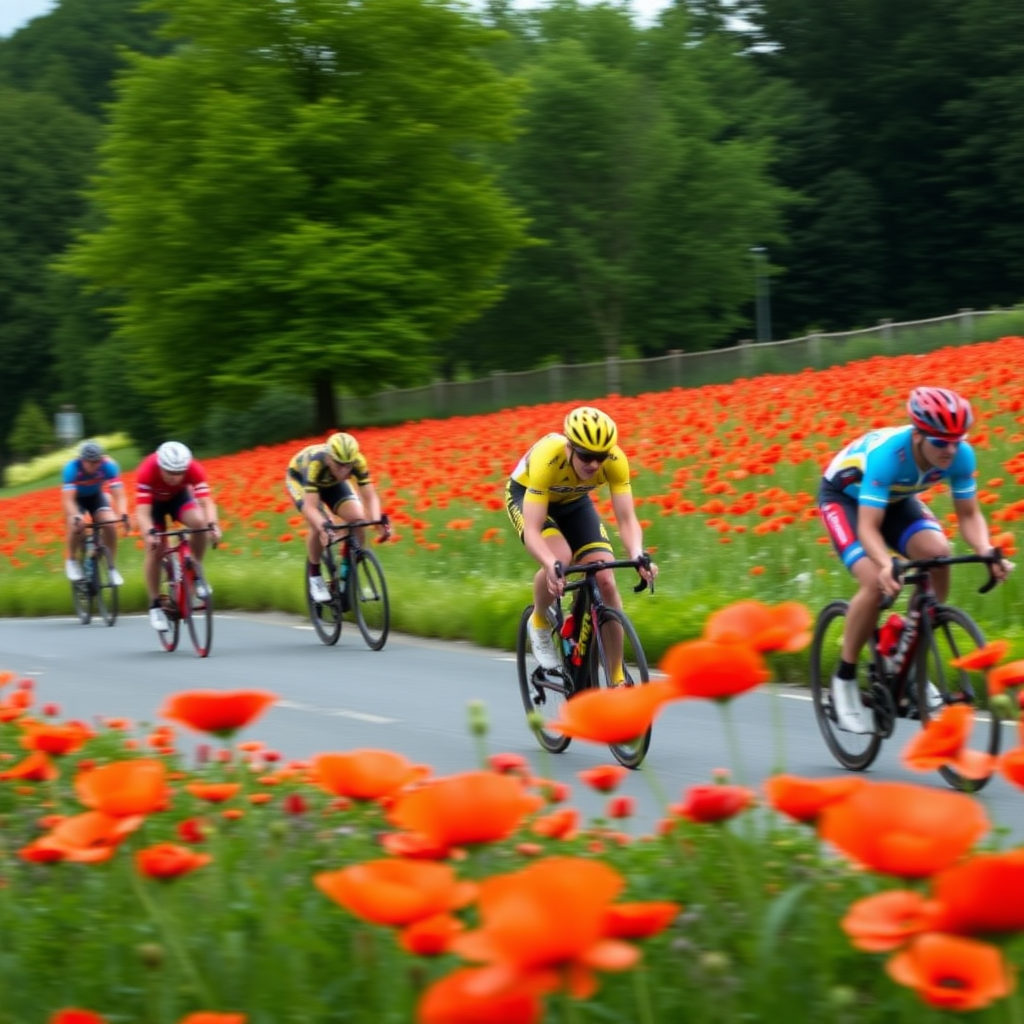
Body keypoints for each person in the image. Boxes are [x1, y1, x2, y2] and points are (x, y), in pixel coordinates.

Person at [819, 386, 1010, 733]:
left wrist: (986, 549)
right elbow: (868, 526)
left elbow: (969, 515)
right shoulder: (889, 457)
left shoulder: (960, 454)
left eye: (957, 440)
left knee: (938, 554)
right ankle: (844, 679)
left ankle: (905, 651)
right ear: (918, 434)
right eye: (941, 442)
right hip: (845, 498)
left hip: (894, 498)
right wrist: (885, 562)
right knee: (875, 581)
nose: (950, 450)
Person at [505, 405, 657, 679]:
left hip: (574, 502)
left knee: (606, 579)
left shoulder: (615, 460)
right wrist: (550, 563)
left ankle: (616, 678)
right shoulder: (547, 457)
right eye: (587, 456)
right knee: (560, 558)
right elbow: (533, 530)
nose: (594, 465)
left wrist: (637, 553)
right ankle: (539, 619)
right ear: (570, 448)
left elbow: (626, 518)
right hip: (528, 497)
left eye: (601, 457)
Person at [286, 431, 390, 603]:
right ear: (329, 458)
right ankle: (315, 576)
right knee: (319, 524)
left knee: (358, 520)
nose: (344, 470)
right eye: (339, 464)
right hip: (300, 479)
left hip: (332, 483)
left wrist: (379, 523)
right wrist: (322, 526)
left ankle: (345, 574)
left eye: (348, 465)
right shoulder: (317, 463)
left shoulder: (357, 461)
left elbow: (370, 497)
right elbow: (310, 508)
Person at [135, 441, 222, 632]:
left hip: (179, 498)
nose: (175, 477)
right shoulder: (148, 469)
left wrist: (213, 525)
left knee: (200, 524)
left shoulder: (193, 468)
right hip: (153, 506)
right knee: (155, 548)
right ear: (160, 466)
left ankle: (195, 573)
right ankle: (155, 604)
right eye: (170, 473)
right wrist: (149, 533)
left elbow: (207, 503)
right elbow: (142, 513)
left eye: (179, 473)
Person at [61, 439, 128, 586]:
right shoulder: (72, 469)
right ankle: (71, 559)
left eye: (97, 462)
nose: (94, 465)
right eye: (90, 462)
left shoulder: (108, 466)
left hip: (96, 496)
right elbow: (68, 501)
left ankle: (111, 567)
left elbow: (119, 494)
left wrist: (123, 512)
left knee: (110, 525)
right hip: (75, 500)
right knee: (77, 525)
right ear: (82, 460)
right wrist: (77, 516)